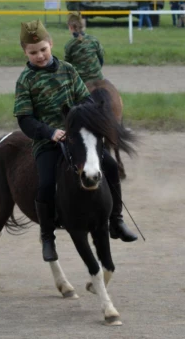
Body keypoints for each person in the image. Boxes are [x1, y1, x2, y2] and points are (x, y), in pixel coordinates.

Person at [15, 20, 137, 262]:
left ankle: (116, 220)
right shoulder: (25, 80)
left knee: (111, 166)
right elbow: (24, 119)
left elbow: (86, 100)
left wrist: (90, 119)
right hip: (47, 141)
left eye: (43, 49)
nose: (39, 56)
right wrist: (49, 132)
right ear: (25, 52)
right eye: (33, 52)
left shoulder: (69, 70)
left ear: (51, 44)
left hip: (77, 138)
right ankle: (48, 236)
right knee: (47, 183)